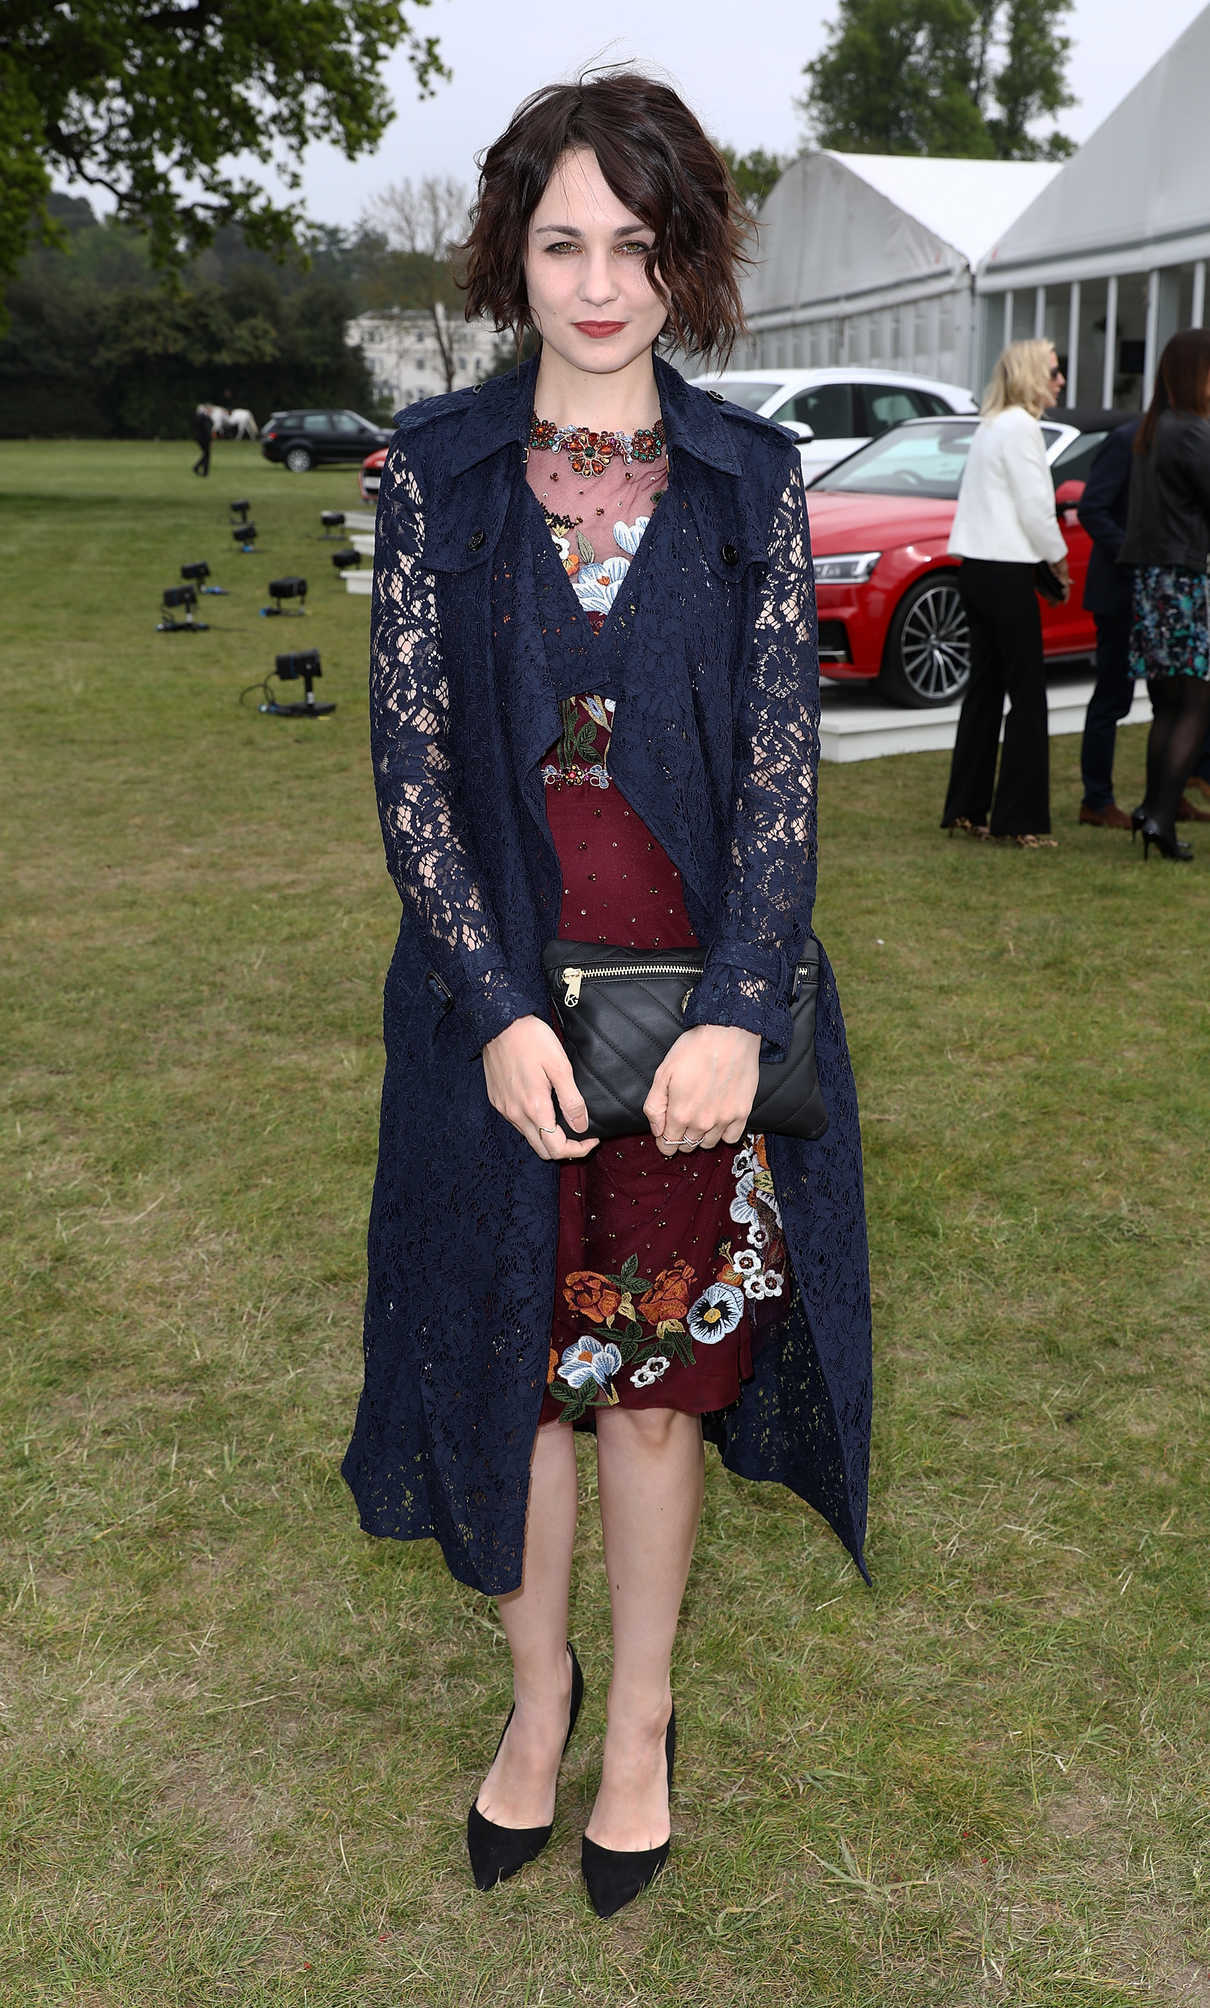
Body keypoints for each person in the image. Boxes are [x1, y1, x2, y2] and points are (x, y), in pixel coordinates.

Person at [341, 72, 872, 1921]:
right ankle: (536, 1692)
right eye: (563, 241)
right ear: (513, 248)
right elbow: (411, 772)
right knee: (513, 1374)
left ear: (687, 258)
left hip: (688, 1029)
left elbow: (788, 778)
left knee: (650, 1383)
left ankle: (637, 1718)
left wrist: (739, 1008)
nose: (597, 284)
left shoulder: (747, 476)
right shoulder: (438, 470)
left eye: (634, 247)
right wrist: (490, 1005)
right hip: (491, 1020)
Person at [940, 338, 1070, 848]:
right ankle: (1019, 820)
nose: (1060, 380)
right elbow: (1036, 508)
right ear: (1033, 375)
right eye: (1054, 371)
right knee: (1028, 695)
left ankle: (967, 809)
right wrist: (1057, 559)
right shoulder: (1020, 426)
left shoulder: (992, 424)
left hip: (977, 569)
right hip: (1006, 572)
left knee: (985, 690)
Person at [1119, 327, 1210, 861]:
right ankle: (1159, 814)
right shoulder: (1192, 431)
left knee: (1169, 705)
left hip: (1154, 582)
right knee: (1196, 702)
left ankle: (1154, 811)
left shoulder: (1152, 430)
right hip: (1184, 579)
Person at [1076, 419, 1138, 828]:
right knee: (1112, 698)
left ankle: (1178, 786)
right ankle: (1096, 800)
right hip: (1119, 592)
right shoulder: (1127, 440)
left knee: (1179, 700)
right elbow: (1091, 508)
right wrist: (1133, 551)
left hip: (1163, 591)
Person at [191, 405, 213, 477]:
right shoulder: (206, 419)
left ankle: (198, 468)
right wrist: (210, 440)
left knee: (206, 454)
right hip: (205, 439)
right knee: (207, 454)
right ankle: (203, 471)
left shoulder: (198, 418)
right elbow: (207, 431)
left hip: (198, 438)